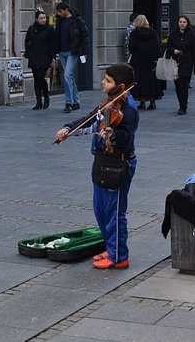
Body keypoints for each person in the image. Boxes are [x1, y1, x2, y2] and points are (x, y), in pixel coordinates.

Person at [55, 63, 138, 270]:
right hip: (102, 161)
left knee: (114, 211)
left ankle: (119, 256)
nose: (103, 82)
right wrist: (69, 129)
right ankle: (111, 249)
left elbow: (127, 136)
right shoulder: (110, 102)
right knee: (100, 209)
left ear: (121, 85)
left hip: (118, 163)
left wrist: (113, 135)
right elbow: (90, 121)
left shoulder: (128, 109)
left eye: (108, 80)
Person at [53, 2, 89, 114]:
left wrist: (85, 52)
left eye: (60, 11)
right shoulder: (59, 20)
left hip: (72, 52)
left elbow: (85, 35)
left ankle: (68, 102)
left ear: (66, 9)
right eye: (58, 12)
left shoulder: (77, 20)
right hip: (62, 51)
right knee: (70, 77)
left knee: (67, 75)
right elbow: (57, 36)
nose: (59, 13)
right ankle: (76, 101)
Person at [126, 15, 163, 109]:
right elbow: (157, 46)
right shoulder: (153, 32)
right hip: (151, 59)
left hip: (138, 59)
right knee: (151, 79)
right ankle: (152, 101)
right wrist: (159, 58)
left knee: (140, 79)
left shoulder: (135, 33)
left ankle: (142, 101)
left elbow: (131, 47)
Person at [23, 11, 56, 111]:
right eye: (41, 18)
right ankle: (38, 102)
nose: (43, 20)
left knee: (41, 77)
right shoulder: (32, 29)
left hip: (45, 56)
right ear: (36, 19)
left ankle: (46, 96)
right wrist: (28, 52)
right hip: (34, 56)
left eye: (44, 18)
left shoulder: (50, 29)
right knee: (36, 79)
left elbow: (53, 43)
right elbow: (27, 41)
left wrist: (53, 57)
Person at [166, 15, 195, 115]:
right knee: (177, 86)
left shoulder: (192, 35)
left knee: (183, 84)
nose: (182, 24)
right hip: (175, 63)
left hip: (186, 63)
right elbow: (167, 47)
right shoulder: (173, 34)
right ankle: (181, 102)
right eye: (180, 22)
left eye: (184, 22)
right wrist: (173, 50)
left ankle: (183, 106)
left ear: (187, 23)